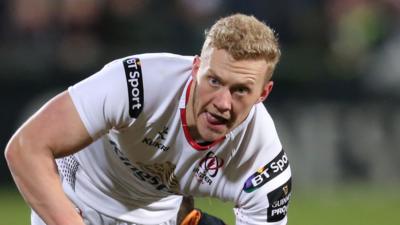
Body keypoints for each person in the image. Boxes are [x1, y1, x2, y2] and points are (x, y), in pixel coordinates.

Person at [5, 13, 292, 225]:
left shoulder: (263, 161)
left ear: (263, 93)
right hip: (77, 204)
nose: (222, 103)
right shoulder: (139, 85)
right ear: (195, 68)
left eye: (241, 90)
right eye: (214, 81)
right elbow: (25, 147)